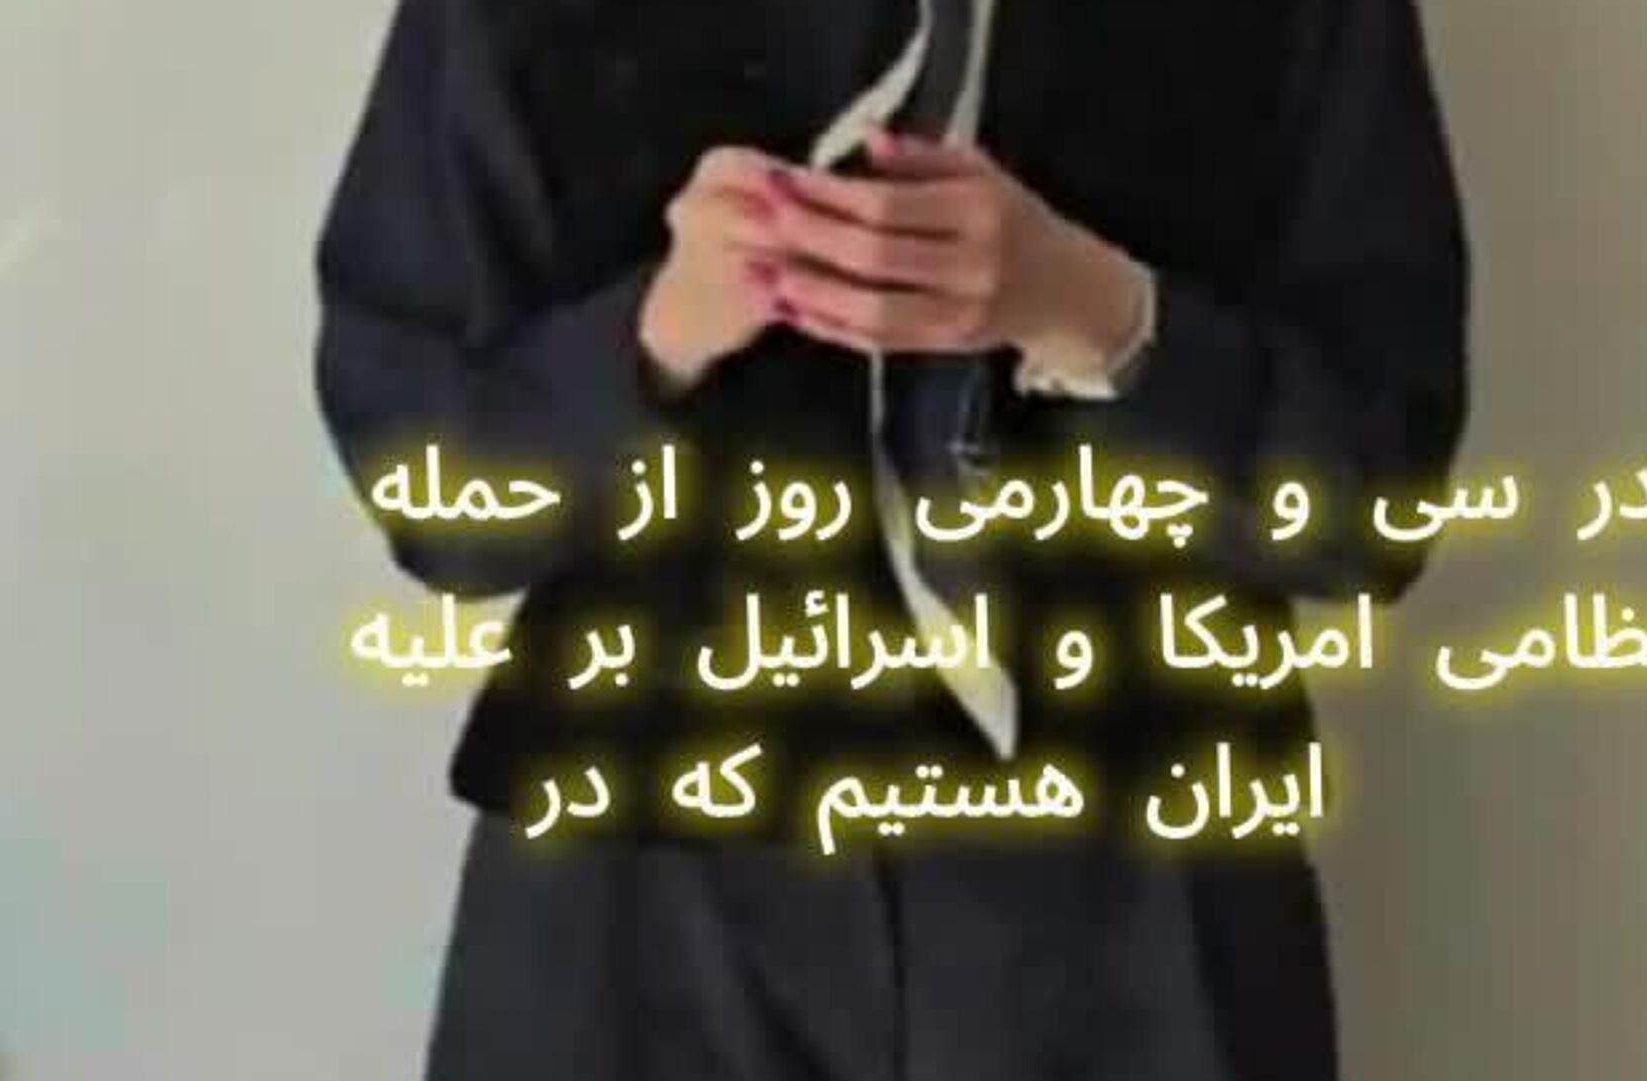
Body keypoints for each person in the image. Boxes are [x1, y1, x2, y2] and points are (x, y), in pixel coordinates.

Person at [312, 0, 1469, 1077]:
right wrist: (658, 335)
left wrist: (1102, 316)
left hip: (1136, 894)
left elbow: (1377, 505)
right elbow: (433, 493)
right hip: (644, 894)